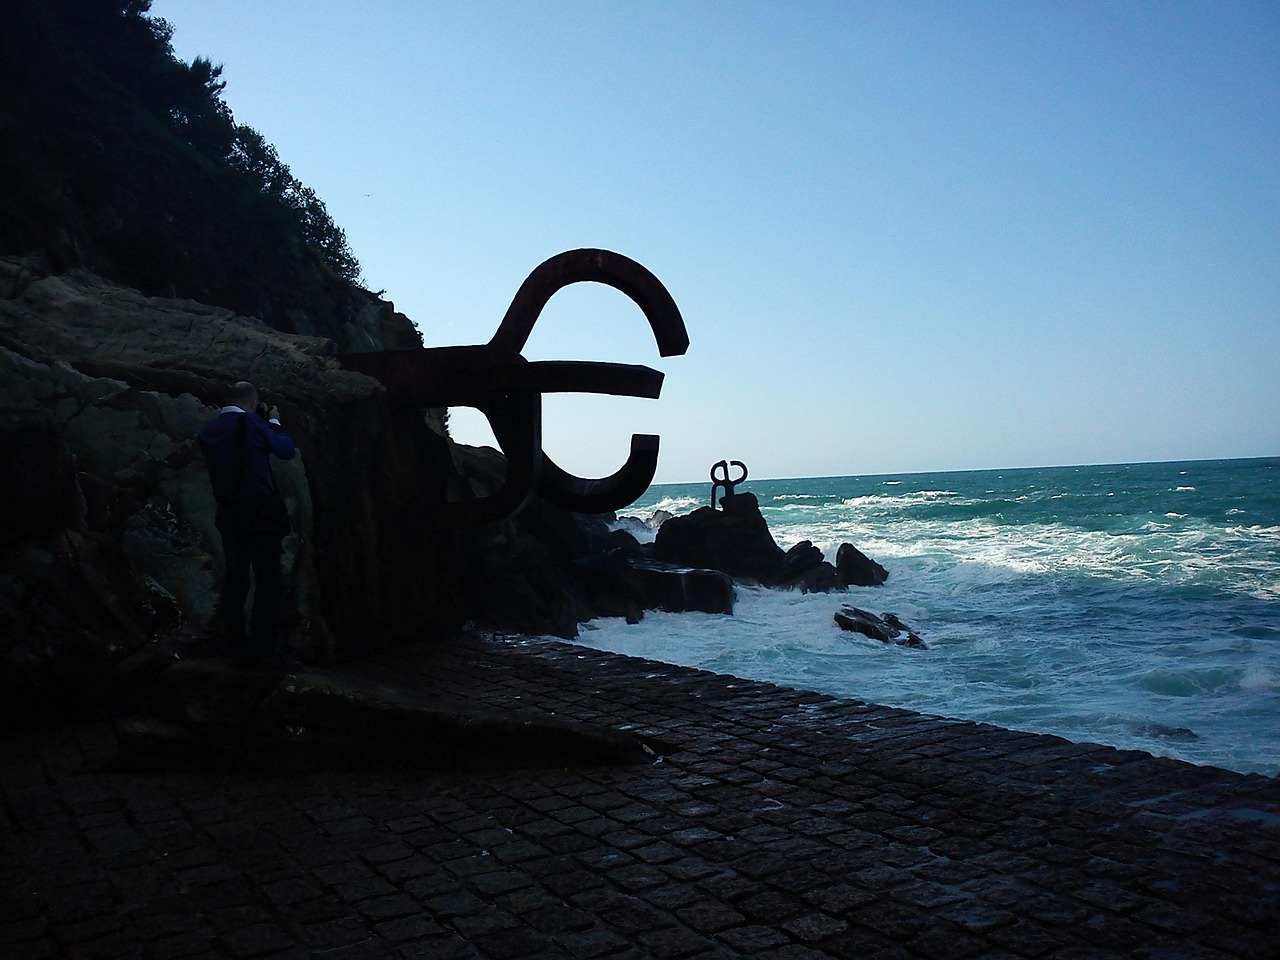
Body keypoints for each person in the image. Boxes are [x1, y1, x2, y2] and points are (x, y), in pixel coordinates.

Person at [199, 381, 298, 669]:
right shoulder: (252, 424)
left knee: (236, 581)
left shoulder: (210, 430)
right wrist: (275, 420)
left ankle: (238, 650)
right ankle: (264, 652)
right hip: (259, 515)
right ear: (252, 403)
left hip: (228, 513)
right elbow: (285, 449)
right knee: (268, 581)